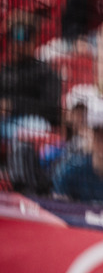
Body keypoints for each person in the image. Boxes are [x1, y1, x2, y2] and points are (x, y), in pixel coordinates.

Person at [0, 12, 63, 195]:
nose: (19, 43)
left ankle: (23, 189)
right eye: (15, 36)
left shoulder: (45, 72)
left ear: (34, 39)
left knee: (25, 134)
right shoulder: (4, 71)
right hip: (4, 124)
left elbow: (51, 109)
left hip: (33, 125)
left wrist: (12, 106)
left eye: (24, 36)